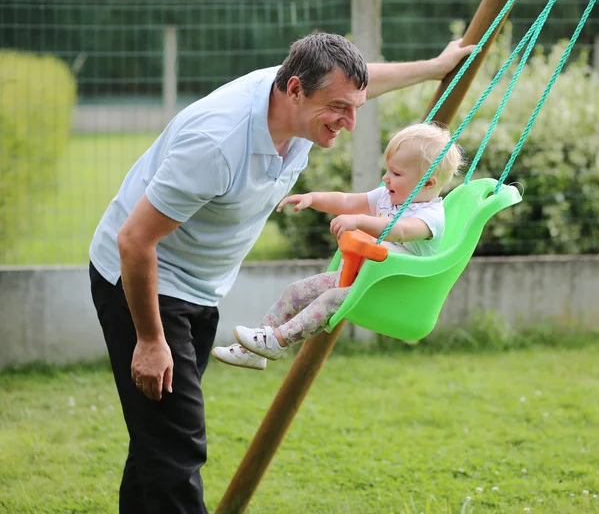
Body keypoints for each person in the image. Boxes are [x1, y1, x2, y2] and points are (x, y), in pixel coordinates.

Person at [88, 32, 474, 514]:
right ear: (295, 90)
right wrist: (148, 340)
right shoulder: (218, 143)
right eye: (339, 108)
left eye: (354, 106)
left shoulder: (298, 104)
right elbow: (134, 241)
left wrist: (435, 67)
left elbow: (361, 83)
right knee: (177, 445)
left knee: (157, 440)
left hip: (201, 288)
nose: (350, 123)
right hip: (144, 284)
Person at [212, 122, 464, 369]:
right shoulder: (389, 197)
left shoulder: (431, 217)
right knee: (295, 290)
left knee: (330, 299)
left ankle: (278, 341)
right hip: (362, 278)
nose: (386, 179)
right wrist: (313, 198)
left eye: (396, 174)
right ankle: (253, 351)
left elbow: (400, 231)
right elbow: (346, 201)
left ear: (428, 183)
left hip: (391, 290)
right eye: (387, 170)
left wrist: (359, 222)